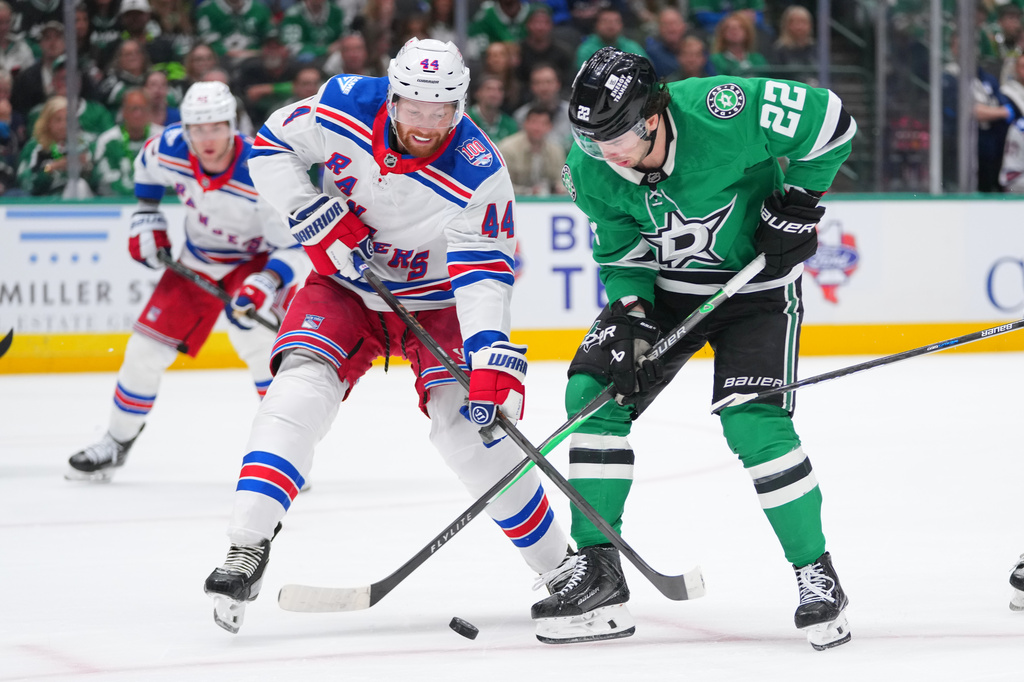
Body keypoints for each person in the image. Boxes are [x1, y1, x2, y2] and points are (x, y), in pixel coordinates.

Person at [203, 37, 574, 635]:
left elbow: (482, 273)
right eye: (414, 108)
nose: (426, 125)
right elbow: (271, 145)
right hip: (347, 286)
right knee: (297, 390)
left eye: (442, 111)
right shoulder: (343, 103)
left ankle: (561, 568)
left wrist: (487, 355)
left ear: (460, 106)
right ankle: (246, 544)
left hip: (439, 303)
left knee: (468, 430)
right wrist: (307, 210)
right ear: (394, 94)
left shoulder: (480, 170)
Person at [536, 46, 857, 650]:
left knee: (751, 424)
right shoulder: (593, 170)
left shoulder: (723, 108)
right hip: (665, 296)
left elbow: (835, 122)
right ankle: (600, 569)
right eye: (592, 141)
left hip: (757, 290)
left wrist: (801, 206)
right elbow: (621, 250)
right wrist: (631, 317)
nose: (608, 154)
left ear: (653, 114)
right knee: (591, 396)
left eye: (618, 137)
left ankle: (817, 575)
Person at [65, 81, 308, 482]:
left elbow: (297, 247)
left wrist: (265, 283)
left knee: (261, 347)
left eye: (216, 127)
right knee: (144, 350)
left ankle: (285, 454)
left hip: (259, 261)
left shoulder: (263, 169)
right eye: (198, 128)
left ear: (232, 125)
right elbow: (146, 167)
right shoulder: (168, 148)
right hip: (199, 259)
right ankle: (115, 442)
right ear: (186, 128)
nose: (207, 138)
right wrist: (147, 214)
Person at [16, 95, 95, 197]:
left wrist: (86, 167)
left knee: (79, 185)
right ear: (48, 122)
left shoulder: (81, 144)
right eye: (58, 120)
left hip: (77, 198)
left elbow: (96, 181)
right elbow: (24, 181)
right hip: (45, 201)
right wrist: (51, 168)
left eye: (67, 120)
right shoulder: (35, 147)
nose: (64, 125)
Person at [91, 88, 163, 196]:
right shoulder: (107, 141)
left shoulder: (162, 138)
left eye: (142, 109)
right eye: (134, 109)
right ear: (123, 112)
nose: (138, 114)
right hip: (117, 203)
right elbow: (104, 179)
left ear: (149, 111)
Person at [499, 104, 567, 195]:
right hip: (516, 201)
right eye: (534, 122)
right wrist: (529, 192)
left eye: (543, 123)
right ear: (525, 124)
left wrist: (560, 188)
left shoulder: (556, 150)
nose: (537, 128)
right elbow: (502, 185)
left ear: (550, 127)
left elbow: (562, 181)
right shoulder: (508, 148)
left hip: (548, 202)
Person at [710, 11, 768, 78]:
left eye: (740, 28)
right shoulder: (716, 60)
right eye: (729, 28)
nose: (734, 31)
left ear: (748, 33)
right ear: (722, 34)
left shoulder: (758, 59)